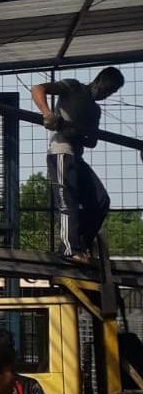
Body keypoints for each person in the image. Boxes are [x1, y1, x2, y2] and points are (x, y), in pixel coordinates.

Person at [31, 68, 124, 262]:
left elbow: (92, 141)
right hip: (61, 152)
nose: (107, 95)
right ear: (99, 81)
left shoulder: (95, 110)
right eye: (107, 89)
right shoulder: (73, 87)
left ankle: (81, 243)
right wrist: (48, 114)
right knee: (68, 201)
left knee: (101, 201)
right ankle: (69, 249)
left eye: (112, 92)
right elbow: (38, 89)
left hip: (77, 157)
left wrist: (76, 131)